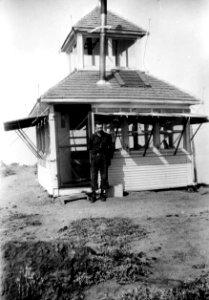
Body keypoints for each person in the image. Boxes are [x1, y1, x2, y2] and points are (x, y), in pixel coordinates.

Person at [89, 122, 113, 203]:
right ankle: (93, 194)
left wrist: (108, 157)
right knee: (93, 176)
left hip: (104, 158)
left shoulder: (107, 136)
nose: (99, 129)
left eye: (100, 128)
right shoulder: (92, 137)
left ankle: (103, 193)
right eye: (98, 128)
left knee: (104, 176)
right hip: (95, 159)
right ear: (96, 128)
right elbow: (89, 148)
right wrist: (94, 153)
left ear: (102, 127)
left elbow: (111, 147)